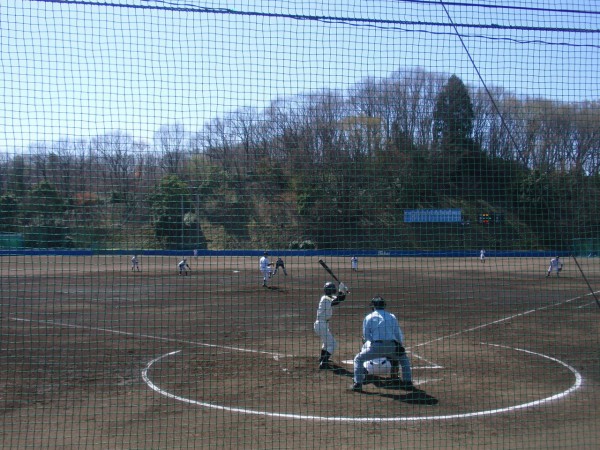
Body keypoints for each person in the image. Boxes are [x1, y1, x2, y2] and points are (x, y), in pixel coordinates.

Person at [351, 296, 414, 392]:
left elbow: (366, 335)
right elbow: (397, 333)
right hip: (391, 346)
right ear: (384, 305)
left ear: (373, 306)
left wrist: (373, 344)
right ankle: (408, 383)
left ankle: (358, 384)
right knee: (404, 360)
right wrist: (400, 345)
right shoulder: (392, 316)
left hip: (376, 346)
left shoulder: (368, 317)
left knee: (358, 359)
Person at [313, 281, 349, 370]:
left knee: (326, 343)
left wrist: (344, 292)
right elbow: (336, 301)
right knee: (333, 344)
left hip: (322, 324)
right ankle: (323, 363)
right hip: (321, 324)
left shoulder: (328, 297)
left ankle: (322, 358)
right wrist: (341, 291)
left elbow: (340, 299)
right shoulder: (325, 299)